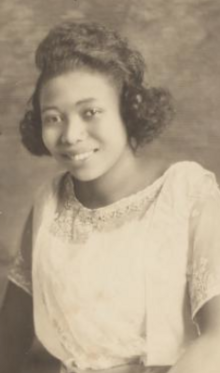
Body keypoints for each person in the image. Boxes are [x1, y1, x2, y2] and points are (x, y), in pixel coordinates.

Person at [0, 20, 220, 373]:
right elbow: (8, 341)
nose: (71, 135)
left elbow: (217, 341)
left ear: (128, 108)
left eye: (91, 112)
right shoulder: (48, 204)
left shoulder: (187, 192)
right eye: (53, 118)